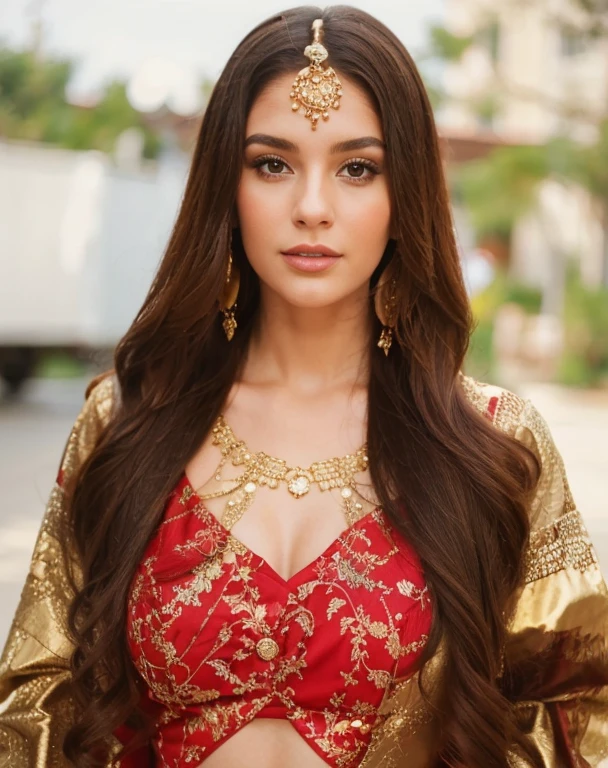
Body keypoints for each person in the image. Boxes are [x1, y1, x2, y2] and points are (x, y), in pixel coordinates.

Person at [1, 6, 607, 768]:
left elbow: (575, 713)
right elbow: (35, 703)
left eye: (358, 168)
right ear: (227, 184)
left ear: (404, 193)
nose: (312, 207)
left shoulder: (491, 442)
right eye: (272, 164)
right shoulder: (128, 423)